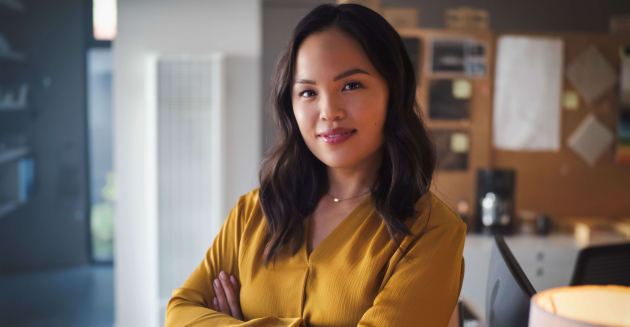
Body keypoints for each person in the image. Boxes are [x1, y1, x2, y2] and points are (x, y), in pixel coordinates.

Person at [165, 3, 466, 327]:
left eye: (351, 85)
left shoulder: (432, 232)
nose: (329, 111)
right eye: (308, 92)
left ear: (394, 93)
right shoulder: (253, 213)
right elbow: (180, 313)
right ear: (290, 106)